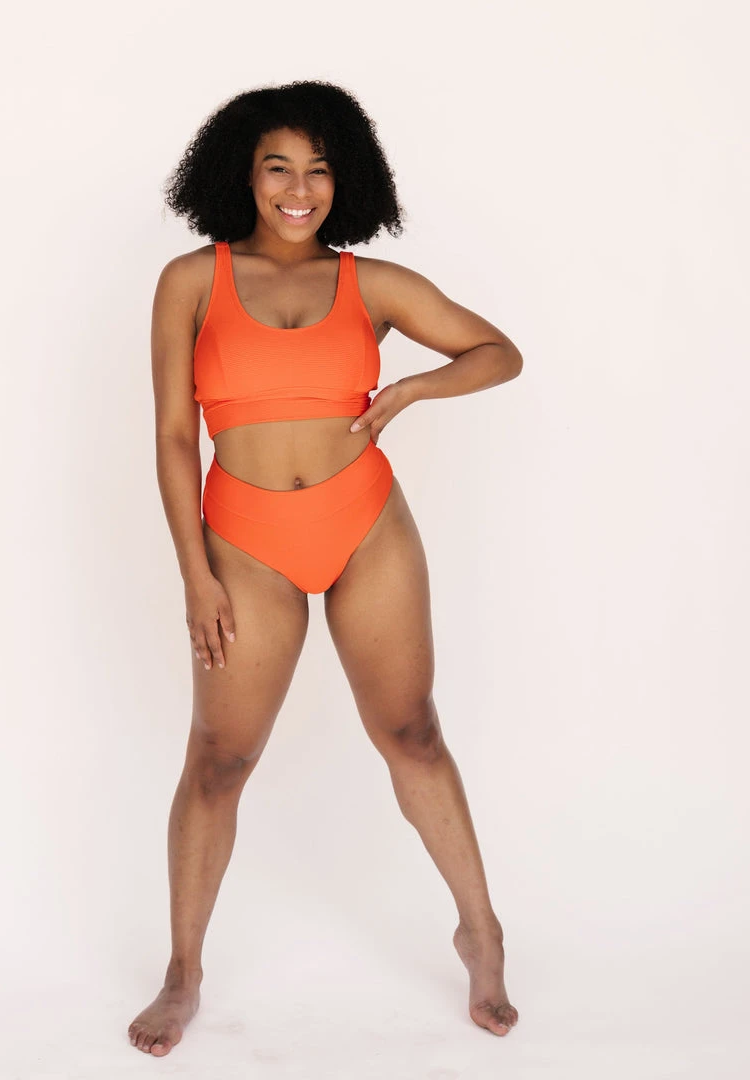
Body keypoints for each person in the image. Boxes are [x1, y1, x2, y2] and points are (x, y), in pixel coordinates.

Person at [128, 79, 523, 1056]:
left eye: (318, 171)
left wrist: (414, 389)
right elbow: (174, 436)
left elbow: (499, 353)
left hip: (365, 526)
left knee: (412, 731)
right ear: (243, 175)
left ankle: (481, 931)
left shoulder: (372, 284)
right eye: (278, 169)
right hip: (243, 543)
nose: (298, 190)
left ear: (346, 182)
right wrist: (195, 575)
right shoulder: (192, 280)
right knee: (219, 759)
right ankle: (183, 972)